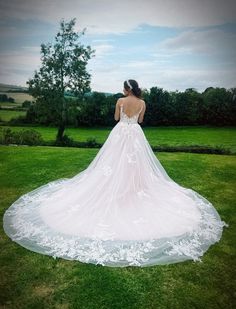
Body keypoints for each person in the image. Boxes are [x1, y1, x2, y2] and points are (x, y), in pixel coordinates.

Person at [3, 79, 229, 267]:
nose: (123, 92)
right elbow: (140, 121)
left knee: (111, 163)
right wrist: (133, 117)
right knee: (136, 164)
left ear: (126, 89)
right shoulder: (142, 102)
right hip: (136, 135)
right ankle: (133, 189)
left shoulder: (120, 101)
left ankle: (120, 188)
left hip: (120, 133)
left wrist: (123, 115)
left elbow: (115, 119)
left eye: (124, 88)